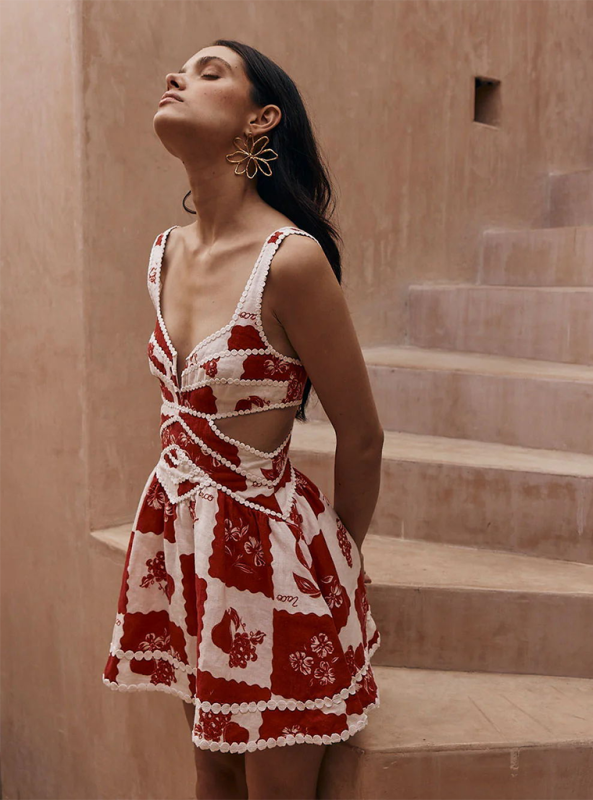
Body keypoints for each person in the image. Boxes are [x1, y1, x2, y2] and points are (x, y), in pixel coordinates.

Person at [102, 39, 384, 800]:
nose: (176, 77)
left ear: (262, 120)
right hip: (185, 549)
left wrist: (338, 562)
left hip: (271, 563)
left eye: (210, 72)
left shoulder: (290, 261)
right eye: (182, 68)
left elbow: (362, 436)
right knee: (211, 768)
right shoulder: (164, 253)